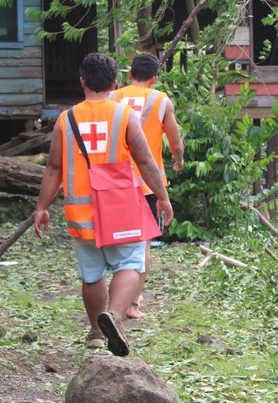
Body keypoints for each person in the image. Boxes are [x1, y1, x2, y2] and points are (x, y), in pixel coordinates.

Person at [33, 52, 174, 357]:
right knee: (132, 263)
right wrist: (162, 197)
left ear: (82, 81)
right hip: (120, 208)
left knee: (92, 273)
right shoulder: (125, 116)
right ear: (114, 83)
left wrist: (42, 207)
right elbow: (146, 161)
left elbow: (54, 168)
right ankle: (115, 317)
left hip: (81, 213)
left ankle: (97, 332)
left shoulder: (66, 119)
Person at [110, 52, 184, 319]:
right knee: (143, 242)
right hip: (148, 183)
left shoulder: (112, 98)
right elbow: (175, 141)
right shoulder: (160, 100)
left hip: (114, 182)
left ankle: (115, 298)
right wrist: (178, 160)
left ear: (129, 75)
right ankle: (132, 304)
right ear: (154, 78)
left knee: (116, 239)